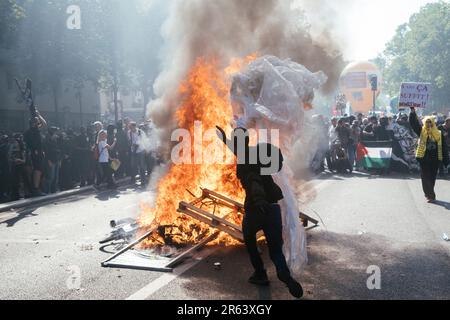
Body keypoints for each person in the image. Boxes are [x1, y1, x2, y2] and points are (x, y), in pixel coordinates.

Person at [216, 126, 303, 299]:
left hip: (257, 207)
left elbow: (253, 180)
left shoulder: (244, 161)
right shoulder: (257, 153)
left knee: (248, 237)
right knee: (275, 249)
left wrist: (258, 199)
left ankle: (260, 273)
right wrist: (224, 139)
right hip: (273, 208)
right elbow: (248, 153)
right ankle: (282, 272)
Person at [409, 108, 449, 202]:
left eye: (430, 122)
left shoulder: (439, 133)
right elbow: (414, 124)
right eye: (427, 123)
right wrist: (412, 112)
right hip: (424, 158)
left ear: (433, 123)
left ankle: (429, 193)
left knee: (432, 177)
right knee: (425, 176)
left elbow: (444, 147)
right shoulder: (422, 132)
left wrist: (446, 160)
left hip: (435, 159)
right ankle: (430, 195)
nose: (429, 124)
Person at [24, 112, 47, 197]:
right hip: (34, 153)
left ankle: (36, 188)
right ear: (34, 123)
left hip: (39, 152)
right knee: (37, 170)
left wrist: (38, 114)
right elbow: (31, 144)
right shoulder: (30, 132)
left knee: (39, 171)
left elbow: (44, 123)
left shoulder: (35, 130)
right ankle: (35, 189)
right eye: (37, 122)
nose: (39, 123)